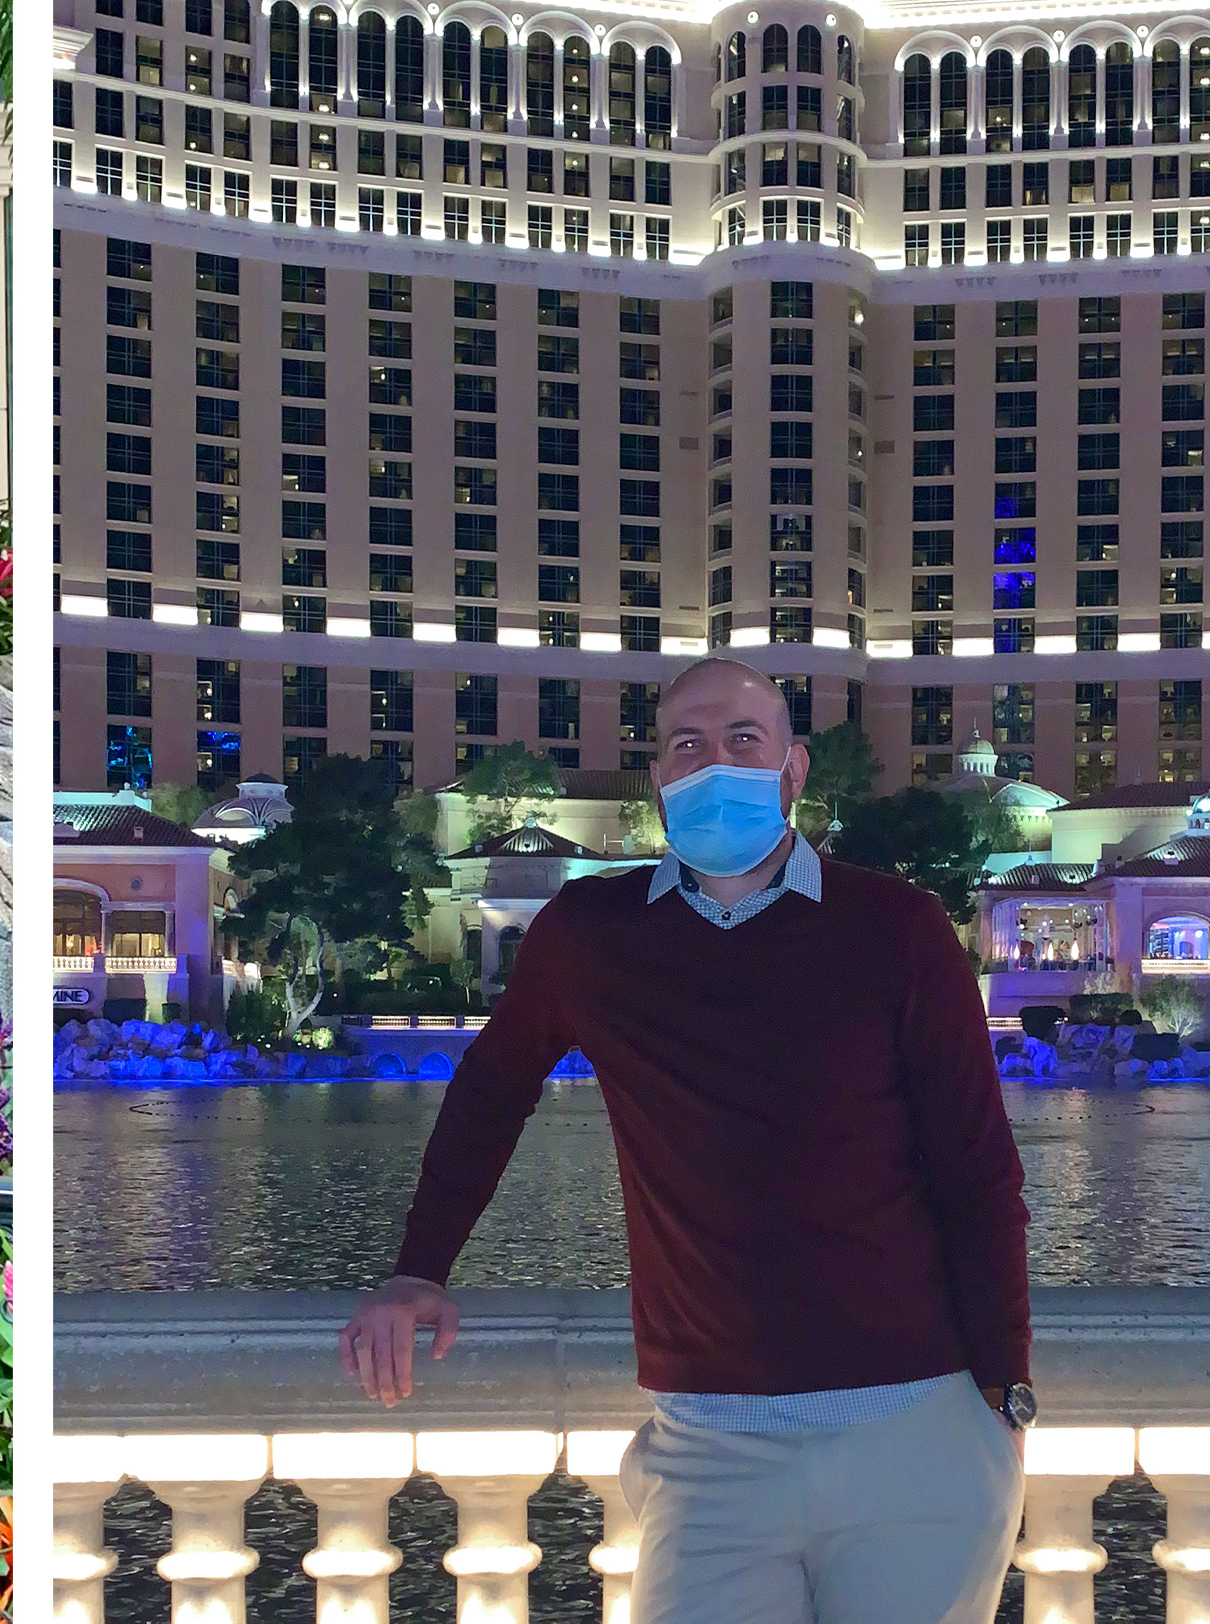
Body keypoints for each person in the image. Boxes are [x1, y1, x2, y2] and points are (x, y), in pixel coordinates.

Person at [339, 659, 1031, 1624]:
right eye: (686, 745)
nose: (713, 762)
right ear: (658, 780)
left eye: (742, 740)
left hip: (916, 1434)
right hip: (708, 1452)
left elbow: (977, 1171)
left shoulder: (898, 930)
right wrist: (418, 1269)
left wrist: (1005, 1396)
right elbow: (491, 1091)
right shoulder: (591, 935)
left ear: (792, 773)